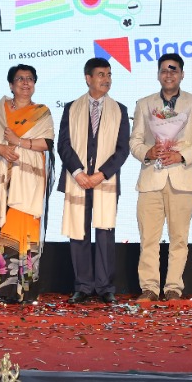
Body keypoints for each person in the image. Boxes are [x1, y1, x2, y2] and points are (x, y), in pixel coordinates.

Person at [128, 53, 192, 300]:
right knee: (148, 238)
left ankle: (174, 287)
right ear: (158, 74)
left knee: (179, 238)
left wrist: (181, 156)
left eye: (173, 70)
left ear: (182, 74)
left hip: (183, 177)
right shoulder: (144, 103)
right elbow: (134, 140)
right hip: (151, 179)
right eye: (164, 70)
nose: (169, 74)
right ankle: (150, 287)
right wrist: (147, 152)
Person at [57, 58, 130, 305]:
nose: (106, 79)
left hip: (104, 181)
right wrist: (78, 172)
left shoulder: (120, 110)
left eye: (109, 74)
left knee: (105, 233)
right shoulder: (72, 108)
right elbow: (64, 145)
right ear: (88, 78)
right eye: (101, 75)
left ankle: (105, 287)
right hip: (77, 180)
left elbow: (122, 150)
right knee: (78, 232)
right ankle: (83, 286)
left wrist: (101, 174)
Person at [0, 65, 55, 303]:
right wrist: (0, 148)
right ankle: (7, 289)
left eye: (30, 79)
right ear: (11, 85)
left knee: (29, 230)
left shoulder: (42, 112)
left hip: (30, 181)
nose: (25, 83)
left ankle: (28, 289)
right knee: (8, 231)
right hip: (7, 180)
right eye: (20, 79)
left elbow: (47, 143)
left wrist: (18, 141)